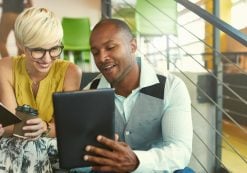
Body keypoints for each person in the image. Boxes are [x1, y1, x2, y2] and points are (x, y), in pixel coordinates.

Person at [83, 18, 193, 173]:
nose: (101, 58)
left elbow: (180, 151)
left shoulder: (171, 86)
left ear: (133, 46)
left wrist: (137, 161)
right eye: (95, 52)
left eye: (110, 47)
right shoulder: (89, 94)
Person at [0, 7, 81, 172]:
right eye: (38, 50)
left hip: (52, 143)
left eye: (54, 49)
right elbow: (12, 126)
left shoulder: (71, 72)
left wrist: (44, 127)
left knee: (28, 149)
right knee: (22, 147)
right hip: (15, 143)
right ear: (21, 45)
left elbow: (66, 128)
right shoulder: (5, 67)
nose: (47, 59)